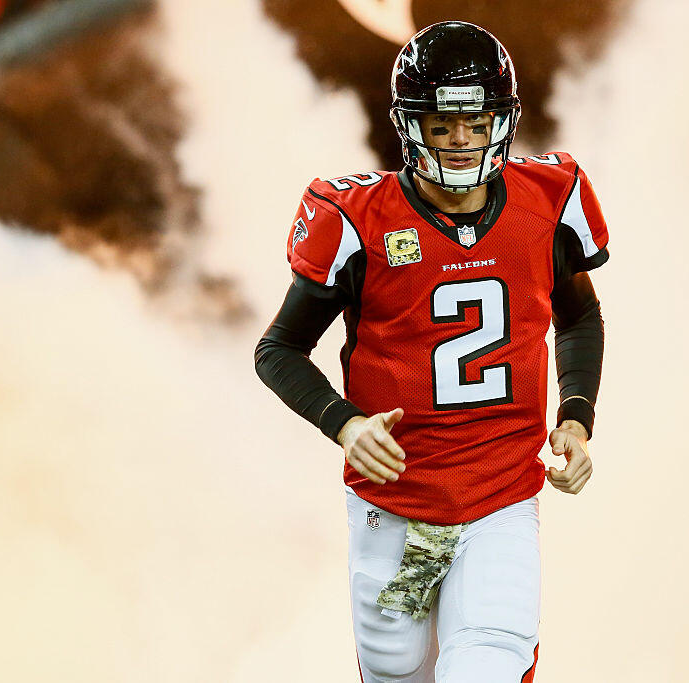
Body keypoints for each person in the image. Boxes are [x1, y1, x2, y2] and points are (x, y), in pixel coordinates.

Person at [255, 20, 608, 682]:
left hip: (499, 494)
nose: (462, 141)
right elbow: (277, 350)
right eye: (443, 126)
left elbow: (580, 312)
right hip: (396, 507)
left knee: (486, 664)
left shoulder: (546, 201)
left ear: (503, 120)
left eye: (477, 124)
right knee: (398, 671)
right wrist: (345, 422)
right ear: (411, 126)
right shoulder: (357, 217)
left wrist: (577, 413)